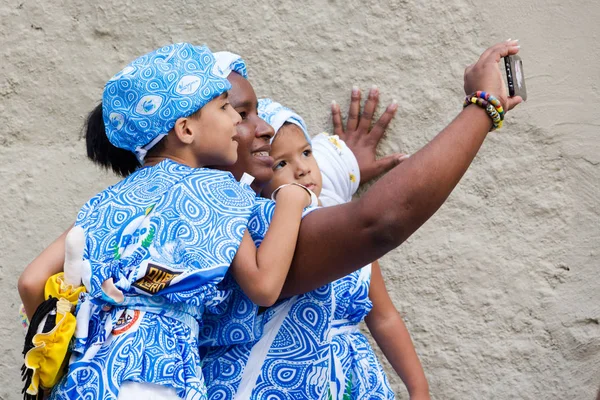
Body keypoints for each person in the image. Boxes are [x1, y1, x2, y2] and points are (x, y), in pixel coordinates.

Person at [19, 40, 522, 397]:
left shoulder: (112, 206)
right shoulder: (229, 205)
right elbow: (374, 223)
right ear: (187, 128)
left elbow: (32, 281)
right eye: (233, 109)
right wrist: (483, 107)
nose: (253, 126)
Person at [47, 43, 315, 400]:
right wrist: (293, 199)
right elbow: (264, 286)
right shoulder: (217, 188)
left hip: (87, 377)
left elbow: (33, 281)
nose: (236, 119)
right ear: (186, 129)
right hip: (156, 377)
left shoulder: (105, 201)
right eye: (225, 107)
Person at [246, 97, 430, 398]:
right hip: (280, 381)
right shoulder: (261, 233)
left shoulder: (345, 227)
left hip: (351, 381)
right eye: (281, 163)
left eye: (307, 152)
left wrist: (418, 387)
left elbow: (383, 316)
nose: (302, 169)